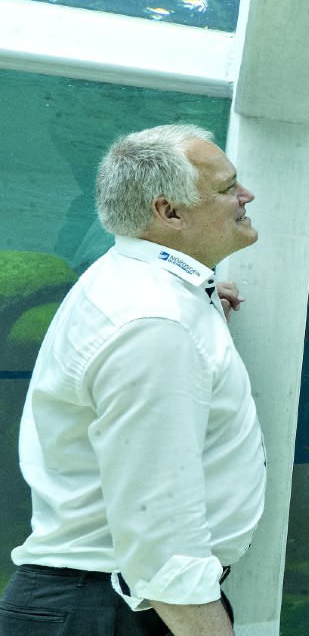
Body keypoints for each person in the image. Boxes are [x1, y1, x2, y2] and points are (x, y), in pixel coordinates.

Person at [0, 124, 264, 636]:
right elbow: (162, 535)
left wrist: (202, 306)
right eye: (227, 187)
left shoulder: (142, 288)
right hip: (116, 609)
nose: (245, 195)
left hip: (107, 599)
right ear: (169, 213)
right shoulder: (156, 323)